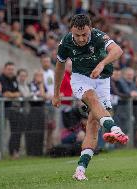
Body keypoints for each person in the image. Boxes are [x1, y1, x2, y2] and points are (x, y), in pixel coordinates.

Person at [52, 14, 128, 181]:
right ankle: (114, 129)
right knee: (92, 99)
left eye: (84, 34)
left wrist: (102, 64)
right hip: (81, 78)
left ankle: (80, 170)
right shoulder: (65, 43)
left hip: (103, 80)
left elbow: (118, 50)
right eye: (77, 35)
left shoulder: (99, 35)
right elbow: (59, 68)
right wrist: (56, 93)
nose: (80, 38)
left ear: (90, 30)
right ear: (71, 31)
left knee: (93, 125)